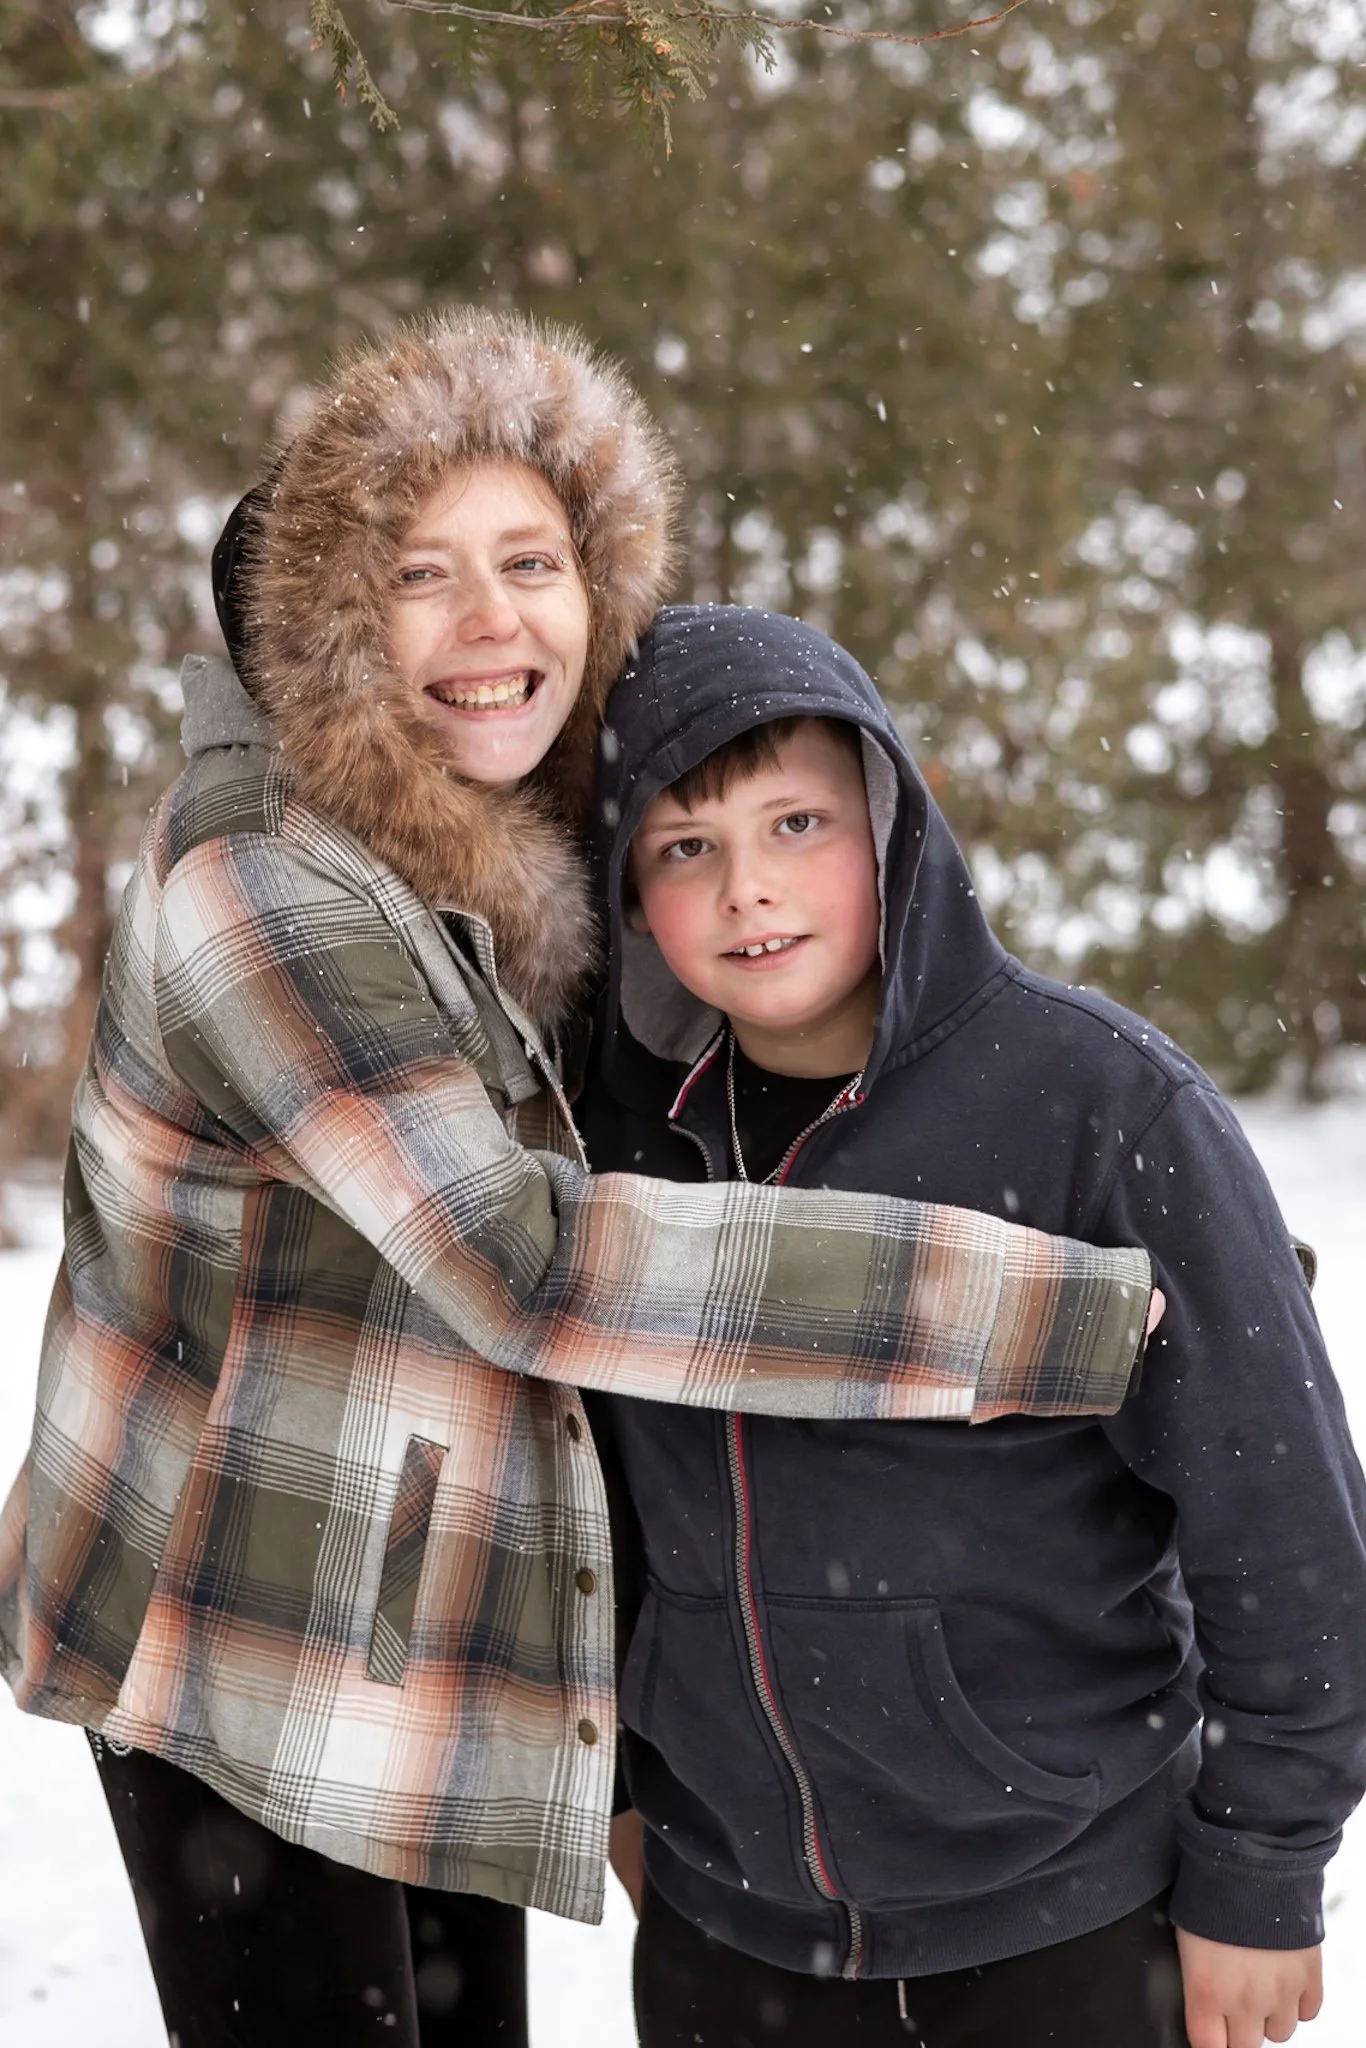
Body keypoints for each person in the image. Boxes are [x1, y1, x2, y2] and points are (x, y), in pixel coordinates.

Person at [0, 314, 1157, 2048]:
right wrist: (1051, 1302)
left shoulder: (485, 857)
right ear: (329, 619)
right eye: (424, 575)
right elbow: (533, 1262)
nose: (493, 625)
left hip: (433, 1621)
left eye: (532, 563)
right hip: (239, 1638)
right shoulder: (266, 890)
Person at [578, 603, 1366, 2048]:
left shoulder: (1098, 1106)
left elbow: (1283, 1522)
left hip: (1064, 1910)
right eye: (686, 847)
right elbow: (596, 1511)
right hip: (723, 1932)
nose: (749, 889)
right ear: (627, 890)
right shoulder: (618, 1142)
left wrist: (1260, 1871)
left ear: (892, 824)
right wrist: (625, 1796)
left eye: (796, 824)